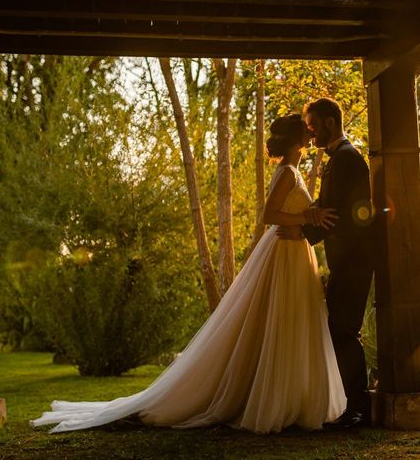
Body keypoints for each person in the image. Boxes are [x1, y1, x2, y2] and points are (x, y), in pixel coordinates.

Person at [32, 113, 346, 434]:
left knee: (291, 323)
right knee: (281, 323)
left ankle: (291, 399)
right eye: (305, 131)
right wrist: (306, 218)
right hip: (284, 255)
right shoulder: (287, 173)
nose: (311, 134)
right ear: (297, 140)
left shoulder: (291, 172)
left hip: (294, 252)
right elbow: (270, 214)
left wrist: (308, 217)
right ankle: (276, 402)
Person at [277, 97, 375, 429]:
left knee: (345, 332)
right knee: (340, 332)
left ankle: (359, 410)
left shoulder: (347, 158)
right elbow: (330, 207)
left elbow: (357, 214)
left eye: (315, 125)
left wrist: (306, 232)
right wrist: (311, 219)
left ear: (331, 122)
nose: (311, 132)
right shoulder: (337, 159)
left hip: (354, 260)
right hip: (343, 261)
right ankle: (354, 407)